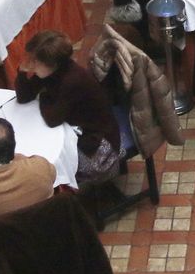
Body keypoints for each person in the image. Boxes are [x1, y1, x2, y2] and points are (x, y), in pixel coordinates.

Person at [15, 30, 121, 187]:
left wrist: (44, 97)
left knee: (47, 165)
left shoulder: (72, 80)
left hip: (100, 147)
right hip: (81, 130)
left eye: (35, 61)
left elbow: (53, 119)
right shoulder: (51, 72)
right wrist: (22, 73)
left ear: (52, 64)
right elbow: (24, 97)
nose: (32, 64)